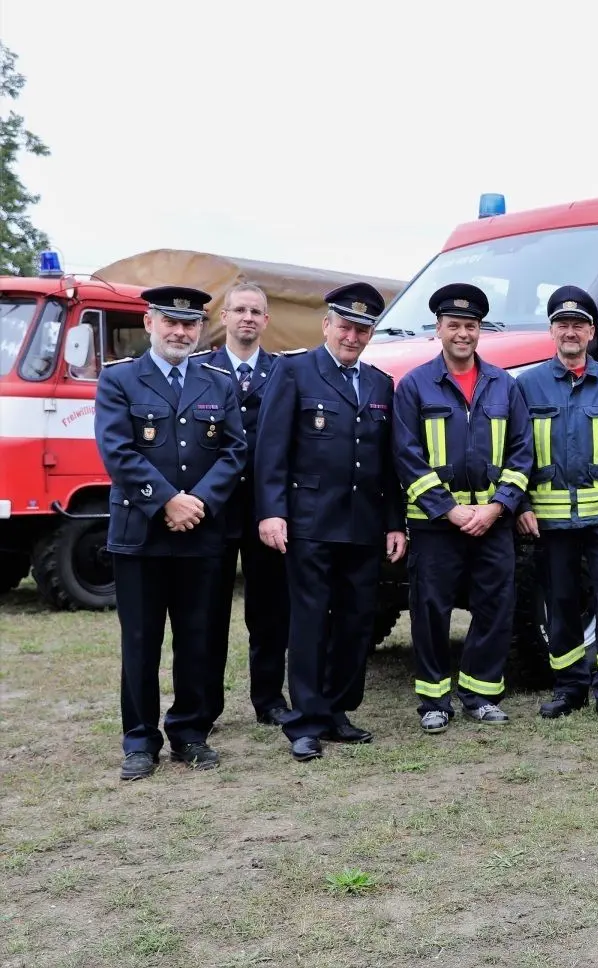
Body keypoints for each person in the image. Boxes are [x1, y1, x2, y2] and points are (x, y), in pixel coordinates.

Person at [95, 286, 246, 780]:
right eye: (171, 322)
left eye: (190, 324)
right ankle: (140, 740)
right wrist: (167, 501)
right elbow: (118, 451)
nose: (181, 332)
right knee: (140, 642)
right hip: (141, 535)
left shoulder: (218, 382)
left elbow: (233, 452)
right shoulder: (120, 379)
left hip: (200, 533)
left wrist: (197, 503)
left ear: (201, 328)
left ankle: (189, 733)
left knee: (197, 640)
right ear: (149, 324)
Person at [256, 282, 406, 762]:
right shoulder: (294, 371)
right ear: (327, 325)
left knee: (356, 622)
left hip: (362, 526)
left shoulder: (381, 383)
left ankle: (338, 711)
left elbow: (388, 463)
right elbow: (271, 450)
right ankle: (305, 721)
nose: (353, 336)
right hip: (310, 522)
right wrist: (272, 511)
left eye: (363, 329)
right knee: (309, 623)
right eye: (345, 326)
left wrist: (393, 522)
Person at [393, 282, 533, 733]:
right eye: (454, 325)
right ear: (438, 329)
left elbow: (521, 453)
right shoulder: (414, 385)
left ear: (480, 331)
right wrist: (448, 510)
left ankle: (480, 693)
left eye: (470, 326)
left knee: (496, 607)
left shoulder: (503, 385)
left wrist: (497, 507)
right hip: (437, 525)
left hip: (491, 522)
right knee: (430, 610)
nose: (463, 334)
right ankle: (434, 701)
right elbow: (406, 456)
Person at [515, 286, 598, 728]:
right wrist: (520, 504)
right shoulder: (527, 385)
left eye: (578, 324)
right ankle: (569, 687)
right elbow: (518, 453)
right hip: (550, 519)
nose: (570, 331)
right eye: (562, 323)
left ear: (591, 332)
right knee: (560, 601)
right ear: (551, 330)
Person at [193, 282, 292, 726]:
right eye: (239, 310)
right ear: (225, 318)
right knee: (208, 614)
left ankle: (269, 699)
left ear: (266, 321)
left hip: (266, 510)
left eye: (256, 311)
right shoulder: (200, 371)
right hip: (213, 511)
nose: (248, 318)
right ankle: (205, 705)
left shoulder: (286, 373)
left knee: (270, 612)